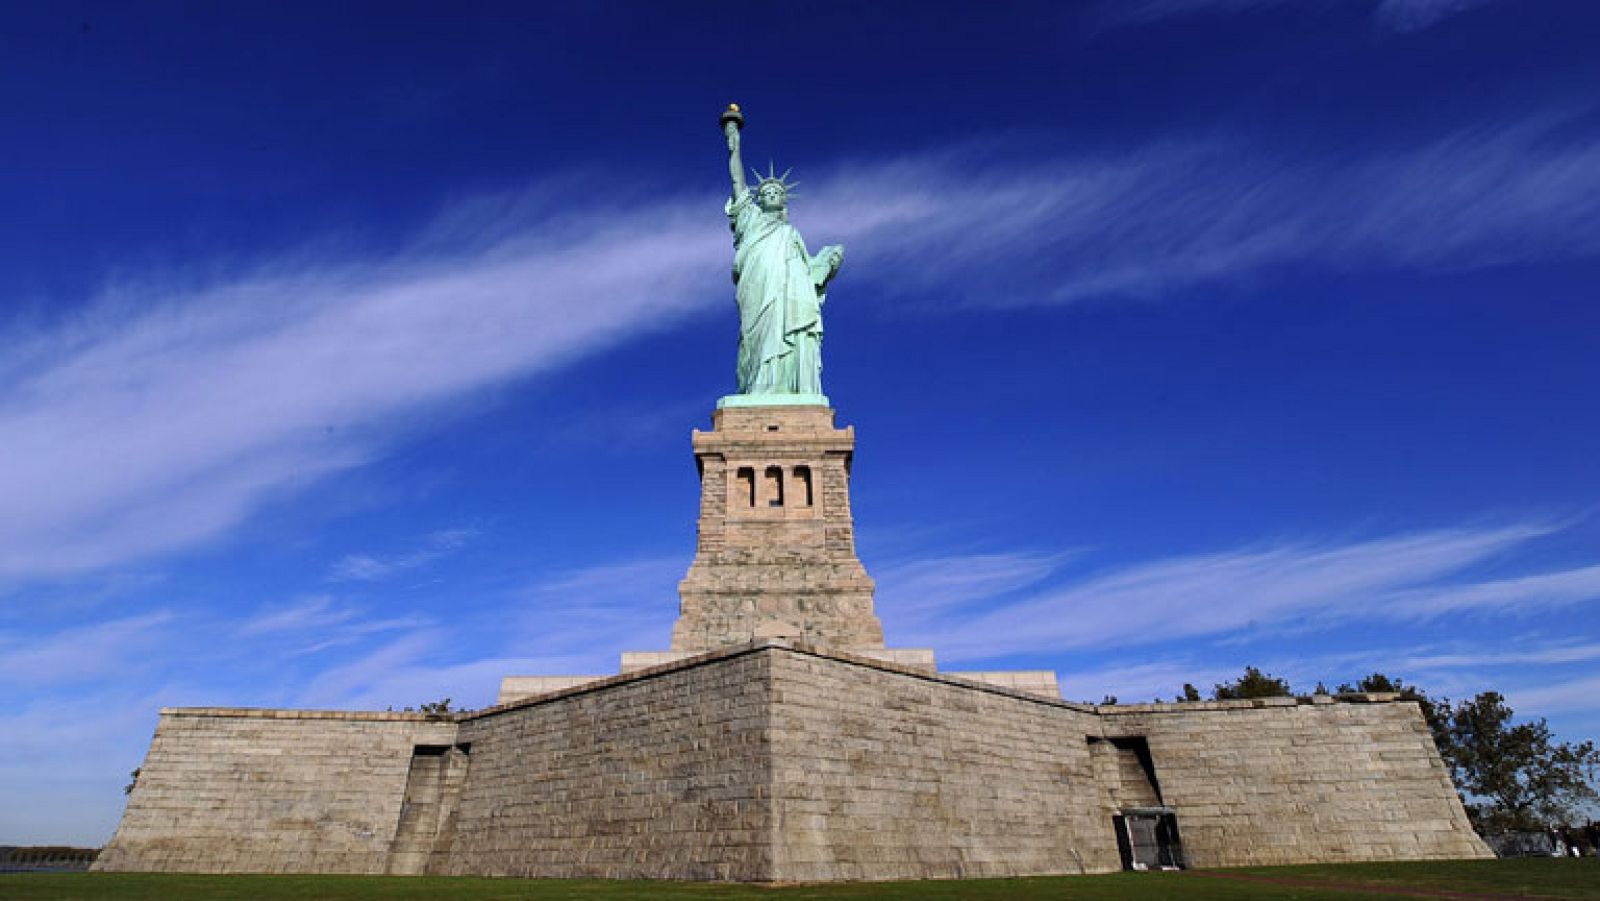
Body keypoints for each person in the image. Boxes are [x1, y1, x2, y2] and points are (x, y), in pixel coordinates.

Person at [723, 113, 844, 396]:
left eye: (778, 191)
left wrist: (828, 262)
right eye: (766, 191)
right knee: (756, 339)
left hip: (788, 294)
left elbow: (809, 271)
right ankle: (757, 388)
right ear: (759, 198)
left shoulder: (792, 235)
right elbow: (738, 183)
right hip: (757, 287)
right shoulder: (749, 219)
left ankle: (786, 387)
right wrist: (734, 146)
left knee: (787, 330)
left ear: (784, 199)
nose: (772, 193)